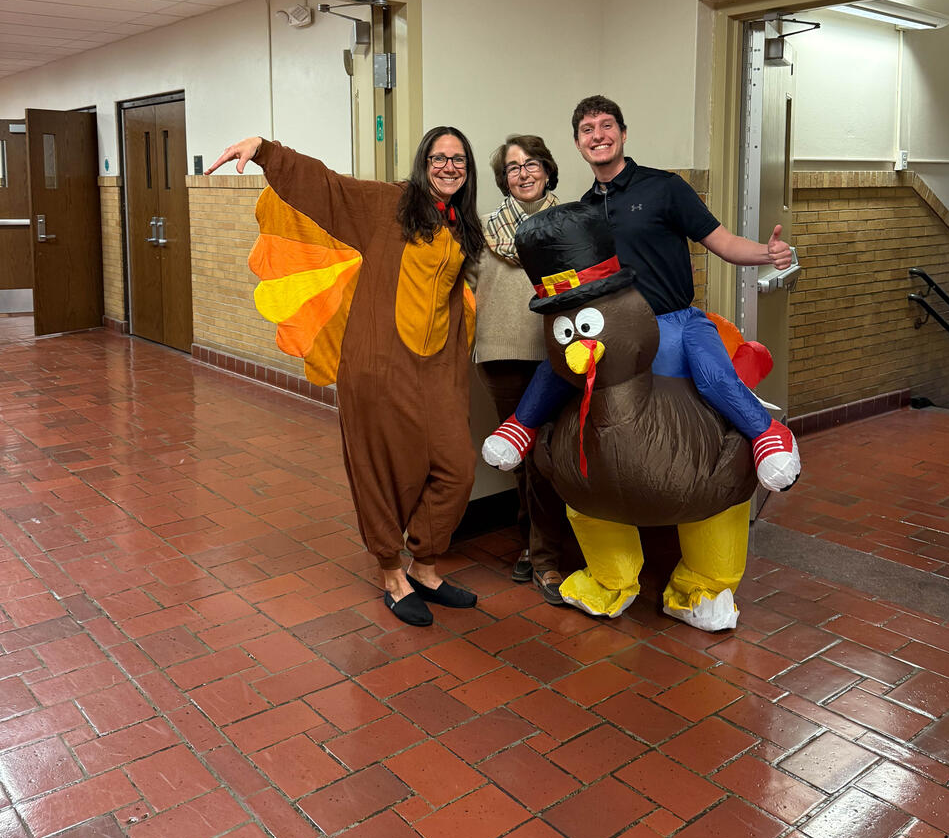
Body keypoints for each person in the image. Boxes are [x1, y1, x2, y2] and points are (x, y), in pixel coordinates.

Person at [206, 128, 483, 628]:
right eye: (438, 157)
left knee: (457, 468)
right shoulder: (388, 204)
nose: (449, 166)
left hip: (436, 370)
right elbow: (327, 187)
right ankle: (392, 573)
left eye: (458, 159)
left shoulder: (462, 222)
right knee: (380, 470)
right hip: (378, 365)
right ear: (423, 163)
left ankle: (425, 566)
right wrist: (266, 151)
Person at [484, 95, 801, 491]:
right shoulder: (584, 211)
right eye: (587, 130)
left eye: (606, 125)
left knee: (713, 375)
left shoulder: (665, 188)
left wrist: (766, 254)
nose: (598, 135)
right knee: (559, 365)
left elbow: (722, 242)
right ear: (578, 143)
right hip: (614, 329)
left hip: (673, 321)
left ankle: (767, 434)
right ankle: (520, 427)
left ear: (623, 133)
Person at [474, 135, 571, 605]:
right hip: (501, 355)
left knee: (550, 454)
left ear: (548, 171)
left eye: (531, 164)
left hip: (558, 356)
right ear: (504, 179)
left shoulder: (570, 223)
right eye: (513, 168)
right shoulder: (483, 229)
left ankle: (544, 552)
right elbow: (463, 288)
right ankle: (537, 547)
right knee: (522, 459)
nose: (523, 173)